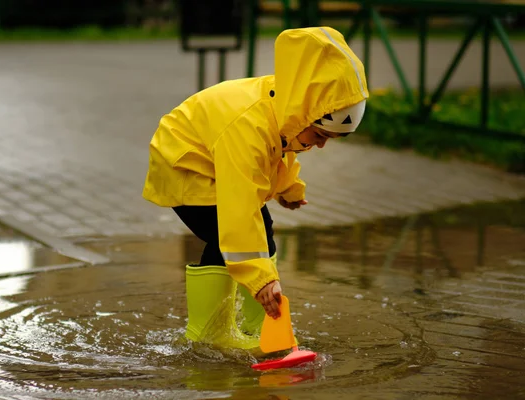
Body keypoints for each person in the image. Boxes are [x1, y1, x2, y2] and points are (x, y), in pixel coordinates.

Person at [142, 26, 368, 349]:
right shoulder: (249, 127)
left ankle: (258, 327)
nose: (319, 146)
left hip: (213, 159)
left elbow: (279, 151)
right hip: (185, 163)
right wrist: (260, 278)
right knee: (226, 235)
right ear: (306, 112)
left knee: (262, 229)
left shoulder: (290, 108)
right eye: (320, 136)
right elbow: (240, 208)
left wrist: (288, 188)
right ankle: (206, 336)